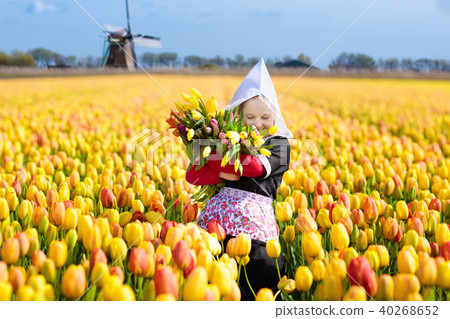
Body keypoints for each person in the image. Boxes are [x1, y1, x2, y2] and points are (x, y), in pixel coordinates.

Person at [185, 58, 293, 300]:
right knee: (209, 266)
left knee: (260, 269)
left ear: (275, 118)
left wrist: (218, 158)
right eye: (250, 117)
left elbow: (255, 168)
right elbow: (193, 175)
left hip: (254, 223)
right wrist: (224, 168)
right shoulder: (231, 141)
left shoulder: (280, 145)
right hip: (217, 220)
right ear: (239, 117)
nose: (258, 124)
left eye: (265, 118)